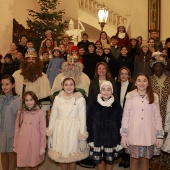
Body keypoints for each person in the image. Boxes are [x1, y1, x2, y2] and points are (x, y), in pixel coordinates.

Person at [121, 73, 163, 170]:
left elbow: (157, 117)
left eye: (144, 80)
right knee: (134, 160)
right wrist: (124, 135)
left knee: (145, 160)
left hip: (148, 135)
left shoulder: (154, 96)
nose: (142, 83)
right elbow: (125, 116)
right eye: (139, 80)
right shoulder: (130, 95)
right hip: (133, 134)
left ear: (148, 83)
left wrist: (159, 136)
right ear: (135, 83)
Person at [47, 77, 89, 170]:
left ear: (74, 86)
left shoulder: (80, 99)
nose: (69, 87)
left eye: (71, 84)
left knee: (72, 157)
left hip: (73, 131)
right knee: (62, 157)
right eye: (66, 85)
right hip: (60, 130)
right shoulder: (58, 98)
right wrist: (50, 134)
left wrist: (82, 137)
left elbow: (82, 119)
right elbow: (53, 116)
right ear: (62, 86)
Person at [87, 81, 122, 170]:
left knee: (109, 162)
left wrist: (119, 139)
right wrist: (90, 138)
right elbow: (89, 122)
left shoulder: (116, 105)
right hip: (97, 139)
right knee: (100, 161)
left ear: (112, 91)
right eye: (103, 89)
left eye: (108, 90)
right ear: (100, 91)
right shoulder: (94, 105)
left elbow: (120, 123)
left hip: (111, 139)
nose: (106, 92)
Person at [13, 91, 46, 169]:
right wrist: (15, 145)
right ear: (24, 101)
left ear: (35, 100)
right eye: (26, 100)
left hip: (34, 142)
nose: (29, 102)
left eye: (31, 100)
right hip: (23, 141)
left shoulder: (40, 113)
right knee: (25, 164)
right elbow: (17, 129)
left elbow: (43, 131)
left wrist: (42, 147)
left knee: (34, 163)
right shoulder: (20, 112)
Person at [150, 52, 170, 170]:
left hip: (167, 115)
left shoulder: (169, 80)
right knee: (154, 139)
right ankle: (153, 165)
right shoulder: (149, 80)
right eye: (156, 65)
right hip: (153, 116)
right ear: (153, 67)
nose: (159, 68)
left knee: (166, 140)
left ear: (164, 67)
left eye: (161, 66)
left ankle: (165, 165)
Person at [0, 75, 22, 170]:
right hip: (1, 132)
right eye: (2, 84)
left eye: (7, 84)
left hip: (12, 132)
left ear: (13, 85)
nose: (4, 87)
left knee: (11, 154)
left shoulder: (17, 100)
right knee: (3, 153)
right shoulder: (0, 99)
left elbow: (19, 118)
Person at [116, 67, 133, 168]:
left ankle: (127, 158)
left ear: (129, 76)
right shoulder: (116, 84)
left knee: (128, 135)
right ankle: (122, 157)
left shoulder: (132, 86)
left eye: (126, 74)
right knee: (121, 135)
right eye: (122, 74)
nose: (123, 76)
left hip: (129, 114)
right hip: (119, 114)